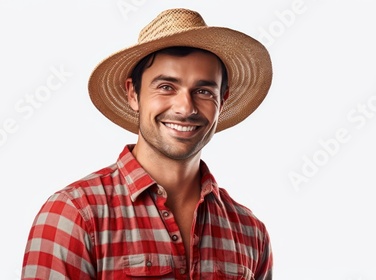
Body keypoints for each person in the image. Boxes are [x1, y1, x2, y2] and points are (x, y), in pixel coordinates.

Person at [22, 8, 273, 280]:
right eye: (166, 86)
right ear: (133, 94)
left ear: (221, 102)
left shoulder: (250, 232)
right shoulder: (75, 215)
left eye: (203, 91)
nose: (185, 108)